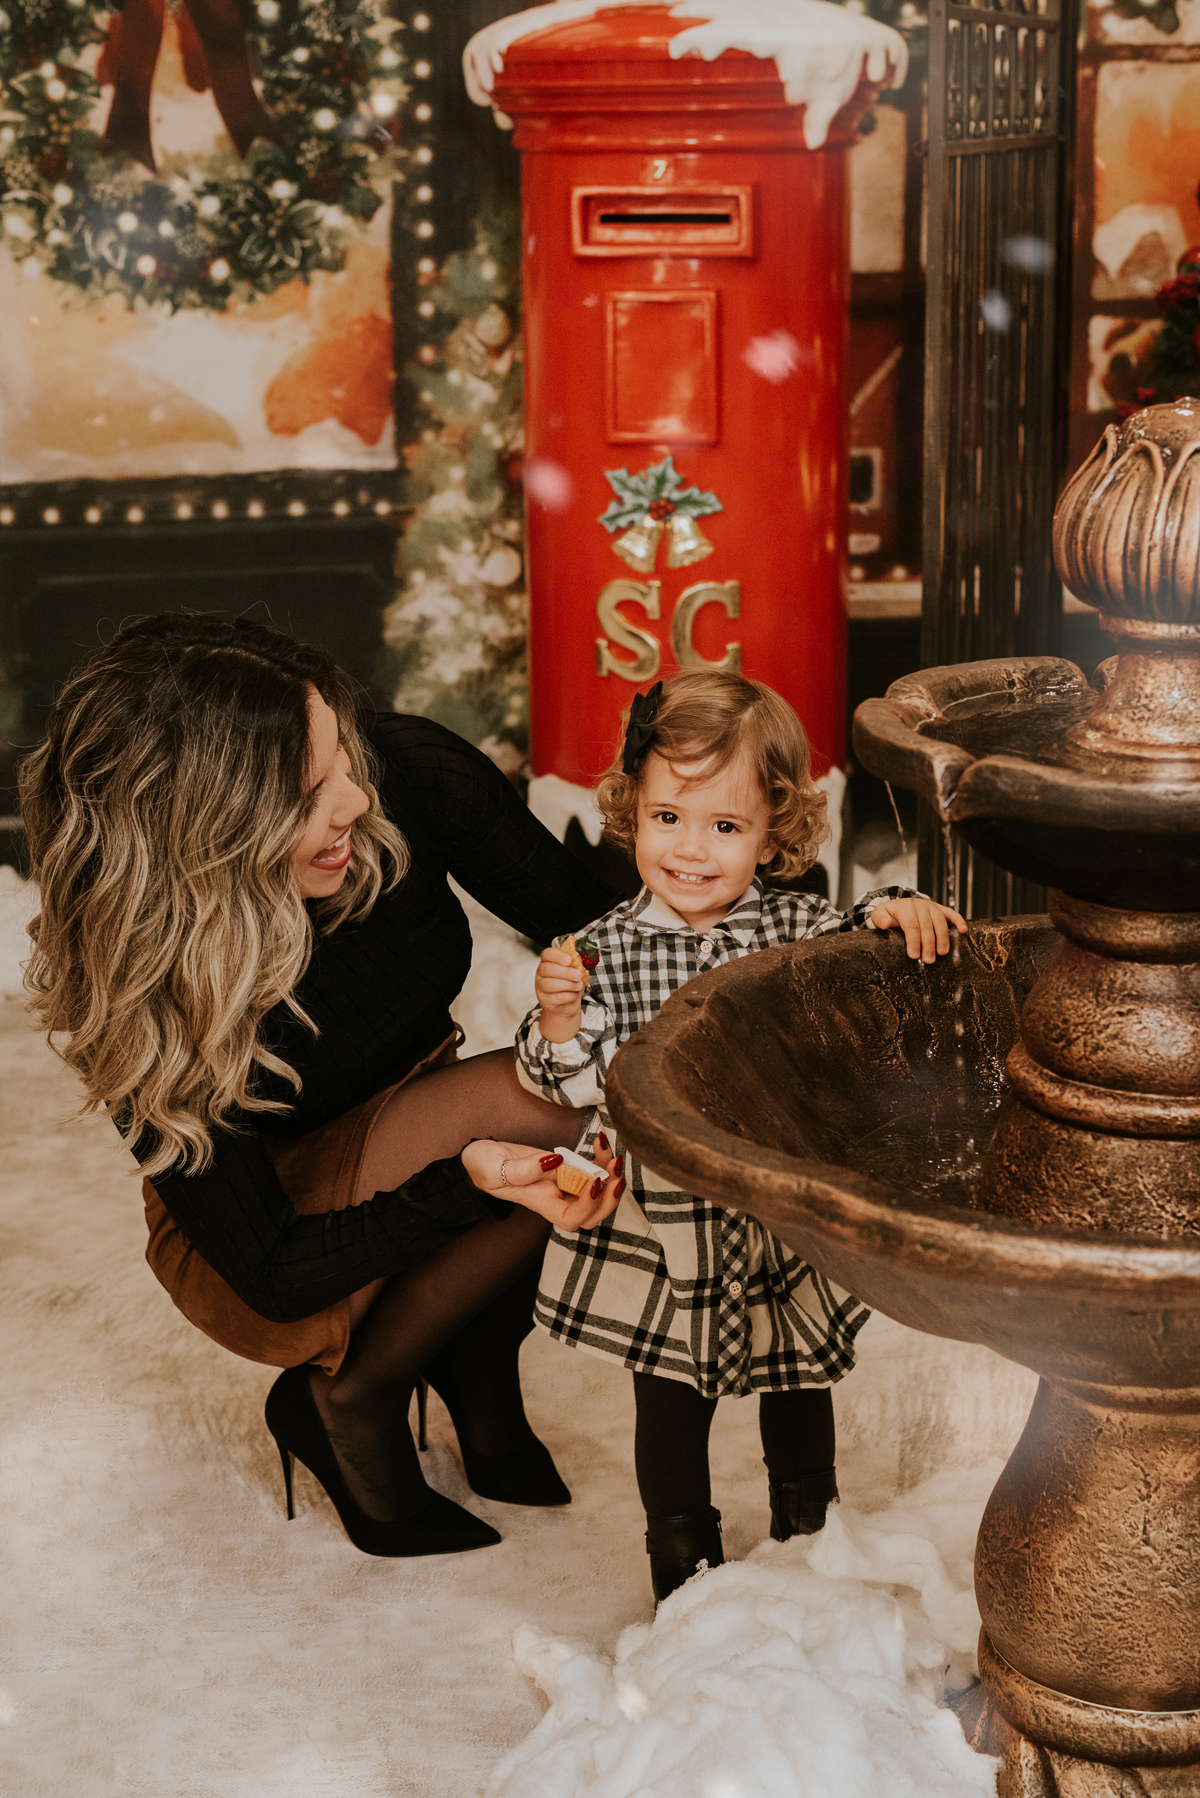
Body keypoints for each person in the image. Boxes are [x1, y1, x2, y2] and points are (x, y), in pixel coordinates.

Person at [19, 611, 625, 1559]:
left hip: (412, 1109)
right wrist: (463, 1184)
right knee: (538, 1106)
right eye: (308, 793)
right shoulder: (138, 967)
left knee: (584, 1075)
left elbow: (618, 945)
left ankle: (475, 1360)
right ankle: (352, 1398)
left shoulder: (407, 775)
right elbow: (271, 1272)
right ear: (206, 827)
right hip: (269, 1238)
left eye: (343, 756)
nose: (354, 800)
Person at [515, 672, 967, 1603]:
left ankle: (811, 1528)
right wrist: (559, 1024)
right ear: (633, 812)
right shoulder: (602, 949)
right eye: (668, 818)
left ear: (773, 831)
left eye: (725, 826)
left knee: (795, 1373)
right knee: (669, 1392)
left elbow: (861, 947)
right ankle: (682, 1558)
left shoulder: (794, 927)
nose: (690, 850)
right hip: (665, 1212)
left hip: (773, 1196)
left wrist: (898, 910)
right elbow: (567, 1085)